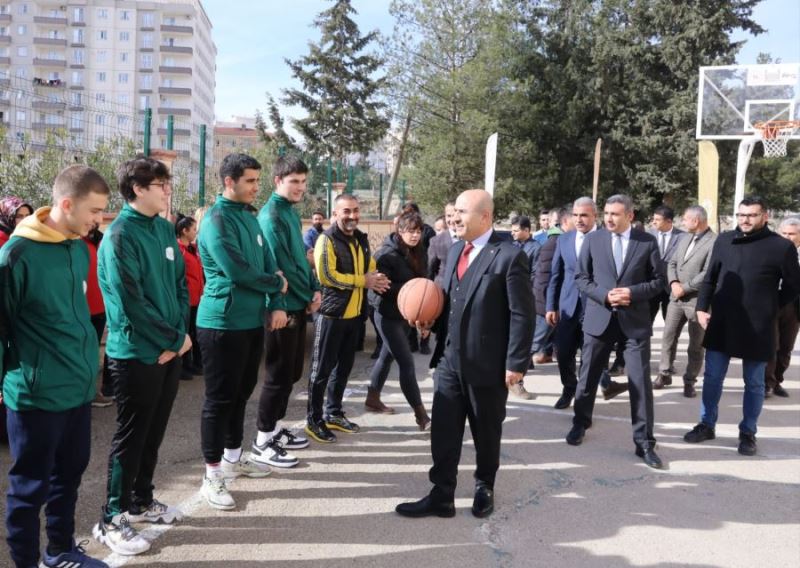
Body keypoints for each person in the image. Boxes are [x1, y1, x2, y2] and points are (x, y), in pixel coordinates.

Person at [396, 189, 534, 519]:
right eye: (454, 211)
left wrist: (516, 363)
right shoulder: (456, 247)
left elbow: (522, 314)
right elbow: (451, 298)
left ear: (485, 217)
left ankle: (484, 486)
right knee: (444, 431)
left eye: (462, 211)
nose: (455, 217)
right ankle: (441, 494)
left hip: (487, 364)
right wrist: (431, 321)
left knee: (486, 432)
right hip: (449, 360)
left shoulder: (509, 256)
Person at [1, 165, 110, 568]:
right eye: (95, 210)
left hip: (78, 389)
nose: (98, 219)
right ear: (67, 204)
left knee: (70, 474)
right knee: (29, 488)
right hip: (37, 394)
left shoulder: (77, 247)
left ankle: (60, 551)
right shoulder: (16, 254)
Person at [93, 157, 191, 555]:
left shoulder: (164, 230)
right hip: (136, 353)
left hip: (170, 348)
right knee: (131, 436)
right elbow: (130, 302)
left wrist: (179, 335)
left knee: (154, 432)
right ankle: (111, 518)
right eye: (161, 183)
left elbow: (180, 285)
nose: (168, 189)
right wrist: (170, 339)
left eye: (168, 183)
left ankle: (141, 500)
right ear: (137, 188)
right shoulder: (119, 236)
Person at [195, 153, 288, 510]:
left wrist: (274, 298)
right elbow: (239, 271)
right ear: (229, 182)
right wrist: (274, 284)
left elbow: (265, 263)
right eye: (249, 181)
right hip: (221, 324)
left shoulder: (249, 219)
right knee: (218, 400)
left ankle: (234, 458)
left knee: (240, 394)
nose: (255, 187)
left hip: (251, 322)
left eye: (256, 180)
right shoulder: (216, 221)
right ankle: (212, 474)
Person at [685, 197, 800, 456]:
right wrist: (702, 308)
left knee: (754, 383)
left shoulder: (781, 247)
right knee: (712, 378)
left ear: (765, 216)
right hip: (722, 321)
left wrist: (771, 308)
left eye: (751, 215)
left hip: (759, 326)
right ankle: (706, 424)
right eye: (741, 214)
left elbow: (793, 286)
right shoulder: (724, 240)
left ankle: (748, 433)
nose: (745, 219)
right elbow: (710, 277)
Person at [567, 194, 665, 469]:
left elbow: (658, 282)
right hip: (599, 319)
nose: (608, 218)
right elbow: (581, 279)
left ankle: (644, 442)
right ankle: (580, 422)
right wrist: (605, 296)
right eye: (606, 213)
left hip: (634, 323)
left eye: (615, 214)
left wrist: (631, 293)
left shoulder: (647, 242)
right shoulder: (593, 240)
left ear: (630, 216)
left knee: (639, 383)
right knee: (587, 378)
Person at [306, 193, 390, 443]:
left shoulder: (361, 240)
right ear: (335, 214)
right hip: (331, 315)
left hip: (354, 317)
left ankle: (334, 413)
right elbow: (327, 277)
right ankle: (314, 420)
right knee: (320, 371)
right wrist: (363, 281)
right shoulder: (326, 239)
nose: (352, 216)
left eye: (355, 210)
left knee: (343, 369)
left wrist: (377, 278)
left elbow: (370, 266)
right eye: (346, 211)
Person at [254, 156, 321, 469]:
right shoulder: (270, 216)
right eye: (294, 181)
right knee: (278, 374)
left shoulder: (290, 215)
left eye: (303, 182)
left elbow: (301, 258)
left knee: (293, 372)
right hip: (282, 305)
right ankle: (262, 440)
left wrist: (313, 287)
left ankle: (276, 429)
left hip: (297, 301)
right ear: (277, 180)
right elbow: (276, 265)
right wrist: (299, 295)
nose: (300, 188)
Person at [366, 211, 431, 428]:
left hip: (405, 314)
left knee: (387, 357)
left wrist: (423, 314)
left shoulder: (420, 252)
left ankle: (372, 398)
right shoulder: (385, 255)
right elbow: (383, 288)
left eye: (418, 231)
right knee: (406, 362)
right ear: (400, 231)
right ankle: (421, 415)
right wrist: (411, 292)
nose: (415, 235)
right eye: (410, 231)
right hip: (386, 314)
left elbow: (425, 284)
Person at [654, 206, 716, 397]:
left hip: (698, 302)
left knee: (696, 345)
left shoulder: (714, 242)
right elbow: (672, 263)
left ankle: (690, 381)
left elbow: (708, 272)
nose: (682, 222)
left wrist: (685, 287)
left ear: (696, 221)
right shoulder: (683, 238)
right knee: (668, 337)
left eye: (685, 219)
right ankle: (664, 372)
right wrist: (673, 282)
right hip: (676, 298)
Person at [765, 217, 800, 398]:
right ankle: (767, 383)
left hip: (794, 307)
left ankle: (777, 380)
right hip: (772, 303)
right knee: (772, 345)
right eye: (784, 233)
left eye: (792, 234)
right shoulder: (772, 251)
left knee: (786, 347)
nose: (787, 237)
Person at [532, 207, 570, 366]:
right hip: (547, 305)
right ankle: (512, 376)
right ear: (566, 221)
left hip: (561, 303)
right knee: (534, 343)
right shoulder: (554, 242)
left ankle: (604, 383)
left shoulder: (566, 241)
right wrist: (550, 306)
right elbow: (545, 279)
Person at [509, 215, 540, 399]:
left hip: (525, 298)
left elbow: (536, 274)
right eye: (511, 230)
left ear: (527, 230)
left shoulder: (536, 248)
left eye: (516, 230)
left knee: (526, 340)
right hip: (508, 298)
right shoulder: (510, 246)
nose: (512, 233)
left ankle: (517, 381)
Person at [84, 223, 114, 407]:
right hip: (82, 309)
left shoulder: (99, 241)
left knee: (92, 354)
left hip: (100, 308)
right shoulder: (75, 242)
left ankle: (93, 392)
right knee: (82, 354)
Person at [176, 213, 205, 380]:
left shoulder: (193, 249)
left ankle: (195, 363)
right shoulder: (178, 251)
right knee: (185, 332)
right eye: (194, 229)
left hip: (197, 299)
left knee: (195, 333)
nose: (196, 232)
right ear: (184, 230)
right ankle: (183, 366)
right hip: (186, 301)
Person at [648, 205, 685, 322]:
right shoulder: (648, 236)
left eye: (657, 220)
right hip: (651, 285)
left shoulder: (683, 237)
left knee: (671, 325)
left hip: (671, 288)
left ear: (669, 221)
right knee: (645, 323)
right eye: (653, 219)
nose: (654, 222)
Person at [428, 201, 457, 289]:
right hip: (442, 292)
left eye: (455, 215)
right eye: (448, 216)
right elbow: (430, 270)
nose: (452, 220)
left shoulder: (472, 239)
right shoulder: (436, 241)